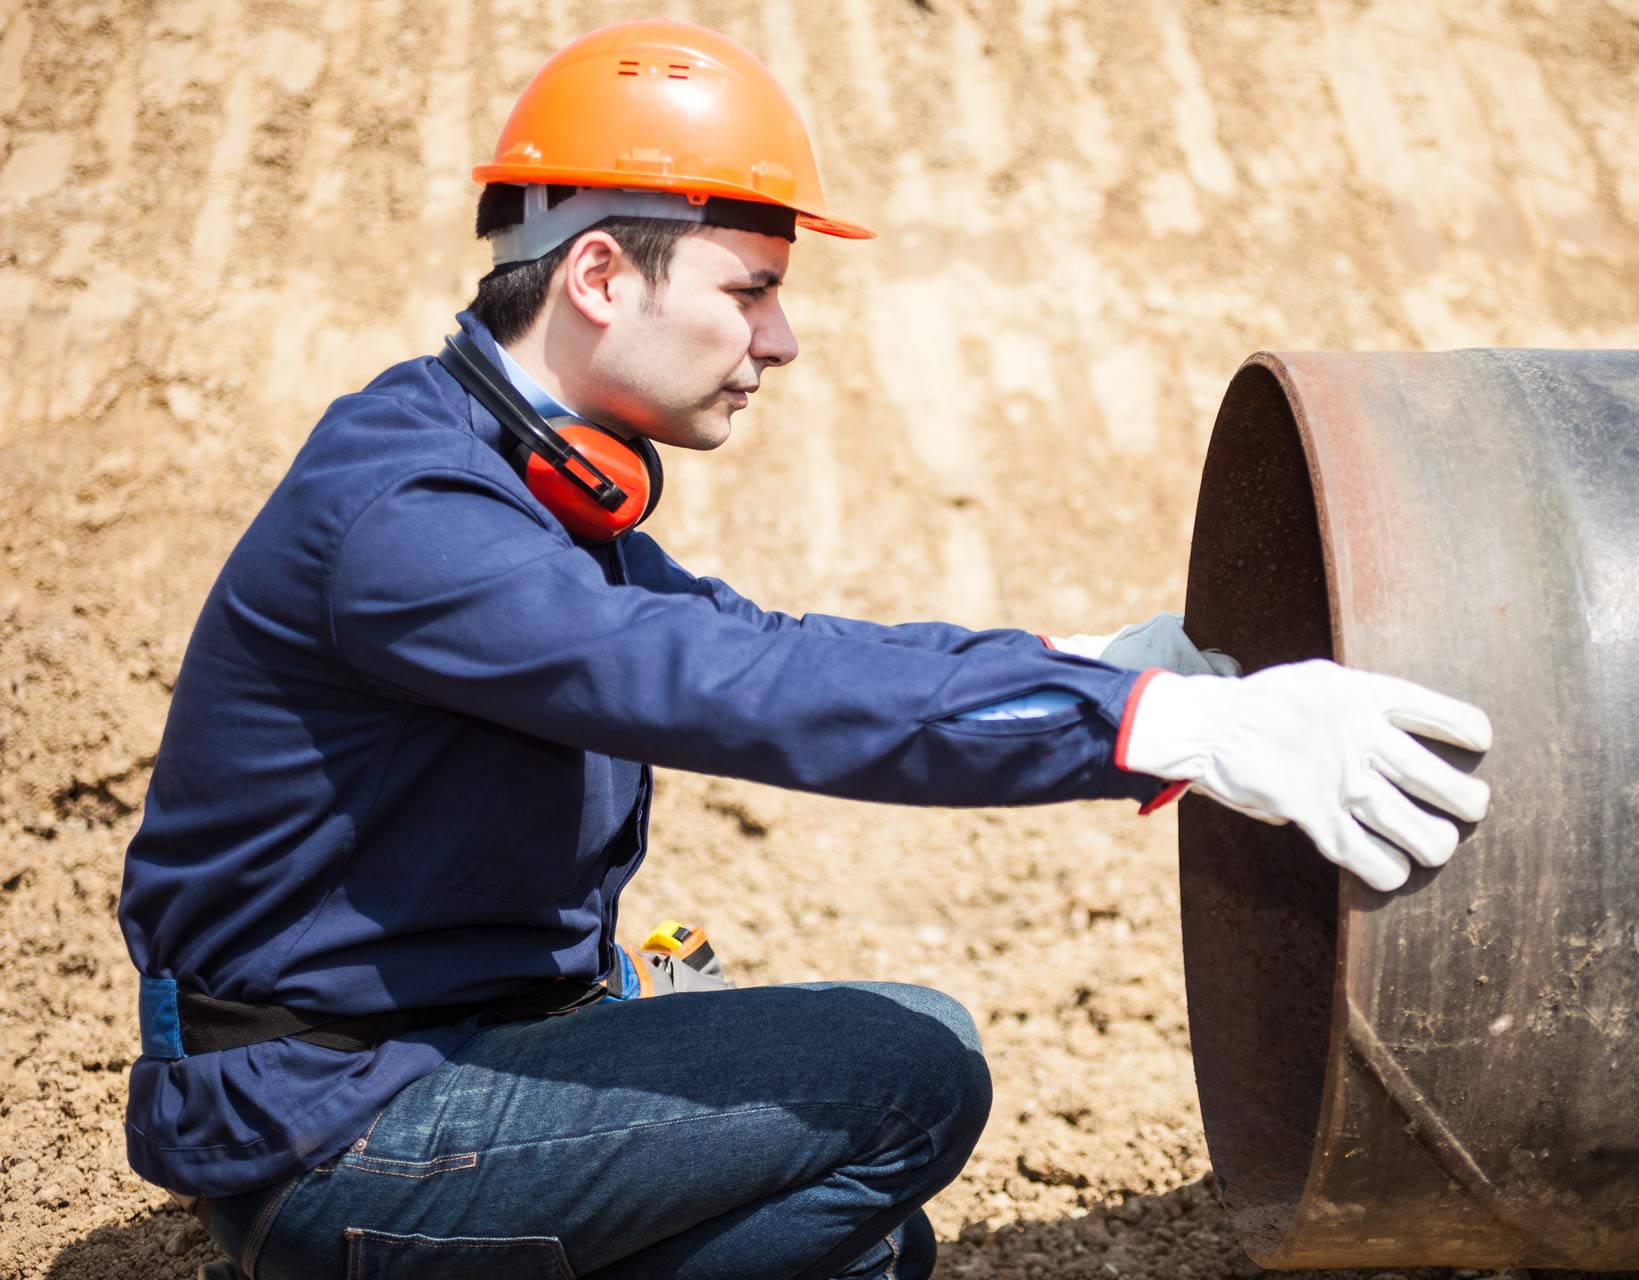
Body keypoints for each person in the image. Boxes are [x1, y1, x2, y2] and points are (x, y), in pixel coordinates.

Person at [117, 20, 1492, 1280]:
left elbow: (741, 640)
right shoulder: (413, 521)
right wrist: (1151, 728)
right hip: (333, 1133)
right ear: (601, 273)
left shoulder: (499, 470)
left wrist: (1085, 667)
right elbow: (730, 689)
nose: (781, 338)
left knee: (863, 1256)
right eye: (751, 289)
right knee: (912, 1067)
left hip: (425, 1054)